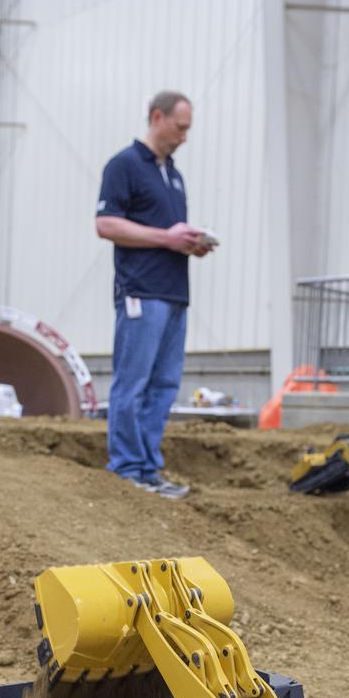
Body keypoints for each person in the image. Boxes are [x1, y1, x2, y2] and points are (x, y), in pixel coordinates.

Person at [95, 90, 214, 498]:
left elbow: (165, 236)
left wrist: (189, 244)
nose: (184, 136)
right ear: (157, 117)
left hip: (174, 292)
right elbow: (107, 224)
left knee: (164, 384)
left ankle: (147, 468)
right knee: (134, 381)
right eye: (180, 127)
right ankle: (127, 466)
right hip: (140, 292)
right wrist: (167, 237)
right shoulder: (124, 166)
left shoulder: (174, 175)